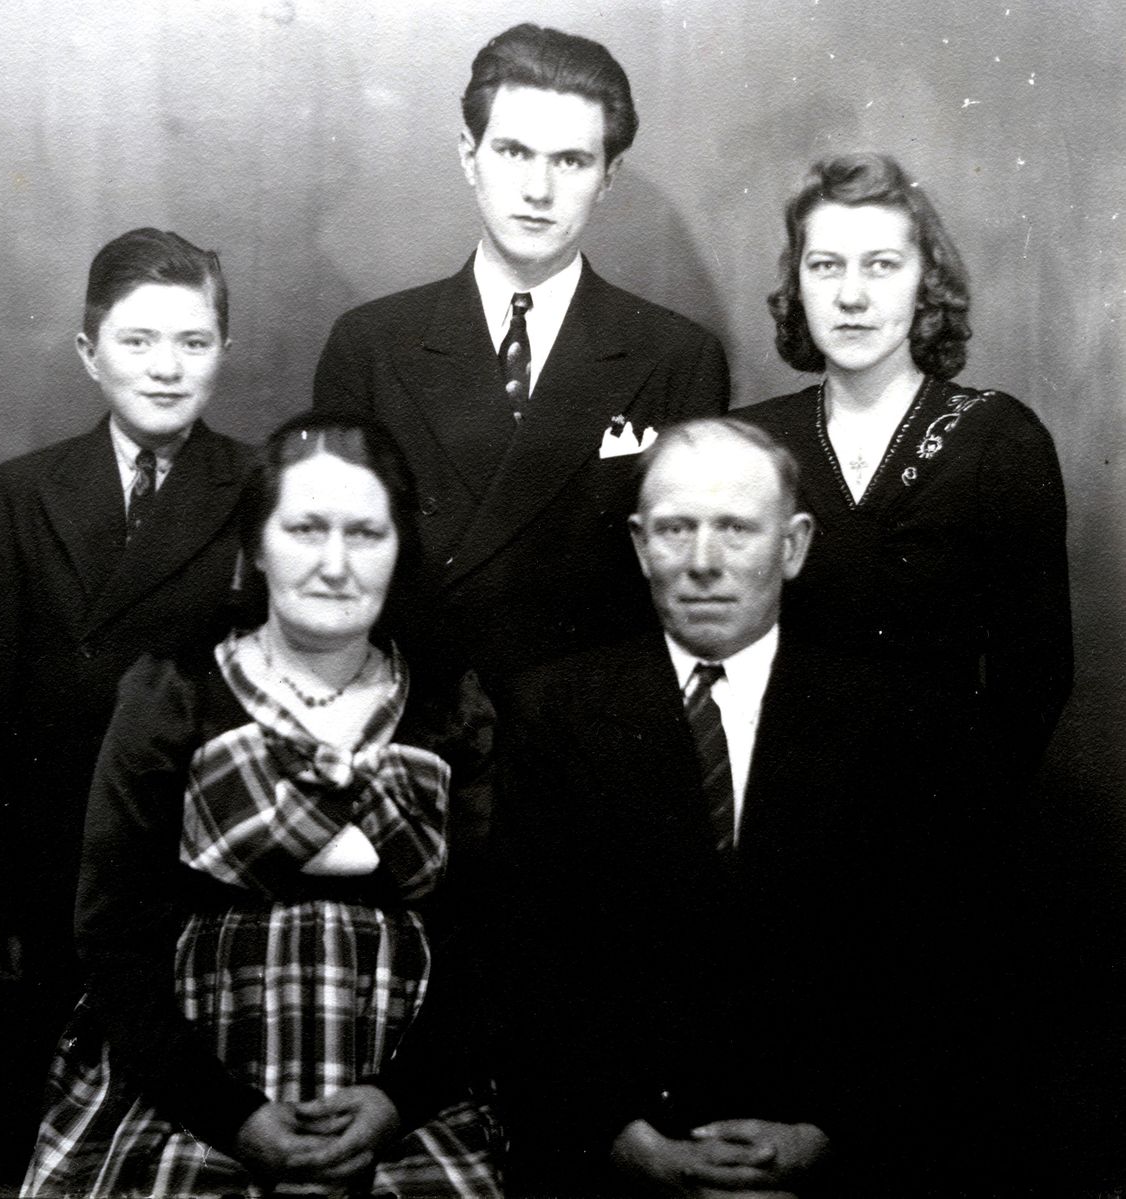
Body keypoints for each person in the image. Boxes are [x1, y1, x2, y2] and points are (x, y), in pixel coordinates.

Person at [22, 413, 501, 1197]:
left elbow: (487, 938)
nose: (335, 564)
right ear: (255, 544)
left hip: (406, 1096)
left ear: (399, 547)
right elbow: (112, 938)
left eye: (365, 533)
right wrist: (234, 1116)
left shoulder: (451, 706)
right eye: (305, 529)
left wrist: (396, 1101)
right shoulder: (173, 693)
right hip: (193, 1091)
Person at [497, 419, 974, 1197]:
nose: (703, 562)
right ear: (639, 544)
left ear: (793, 545)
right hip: (616, 1158)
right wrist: (623, 1139)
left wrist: (823, 1135)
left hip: (833, 1159)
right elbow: (527, 960)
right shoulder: (553, 710)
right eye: (675, 529)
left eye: (736, 529)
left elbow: (929, 964)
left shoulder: (893, 720)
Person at [313, 22, 729, 688]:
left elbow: (684, 589)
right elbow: (330, 566)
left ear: (609, 176)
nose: (538, 189)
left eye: (571, 161)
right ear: (468, 155)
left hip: (590, 720)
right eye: (513, 151)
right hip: (408, 712)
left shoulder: (678, 357)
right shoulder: (369, 345)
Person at [0, 229, 255, 1163]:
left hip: (201, 864)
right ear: (89, 353)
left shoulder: (264, 486)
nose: (166, 368)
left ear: (225, 349)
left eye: (193, 341)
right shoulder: (17, 493)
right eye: (137, 341)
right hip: (54, 864)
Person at [737, 152, 1071, 780]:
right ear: (798, 284)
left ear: (926, 285)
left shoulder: (997, 438)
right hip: (774, 804)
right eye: (825, 265)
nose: (851, 296)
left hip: (947, 811)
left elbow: (1036, 678)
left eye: (882, 265)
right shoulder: (751, 442)